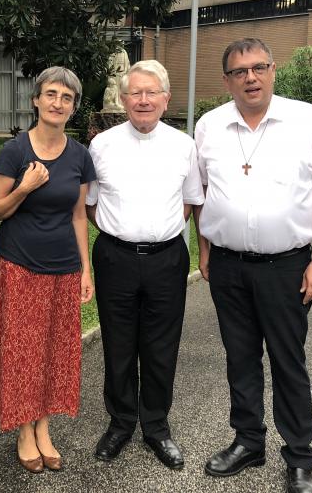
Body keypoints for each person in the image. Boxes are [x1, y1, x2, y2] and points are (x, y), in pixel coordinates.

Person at [194, 38, 312, 493]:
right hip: (227, 266)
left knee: (287, 360)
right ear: (227, 81)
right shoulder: (209, 126)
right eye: (239, 72)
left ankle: (299, 457)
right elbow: (201, 195)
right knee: (240, 358)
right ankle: (248, 441)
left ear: (273, 70)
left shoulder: (307, 119)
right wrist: (203, 250)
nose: (250, 78)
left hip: (287, 267)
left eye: (258, 67)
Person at [86, 59, 204, 470]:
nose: (143, 100)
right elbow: (89, 204)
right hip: (115, 258)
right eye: (135, 92)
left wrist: (160, 233)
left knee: (160, 347)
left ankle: (156, 427)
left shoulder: (184, 146)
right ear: (123, 98)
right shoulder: (101, 145)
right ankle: (120, 423)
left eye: (151, 92)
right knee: (118, 345)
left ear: (166, 98)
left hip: (167, 260)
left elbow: (191, 202)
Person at [0, 67, 96, 474]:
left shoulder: (80, 156)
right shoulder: (15, 151)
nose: (57, 103)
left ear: (73, 107)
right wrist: (25, 188)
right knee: (22, 352)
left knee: (55, 352)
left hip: (64, 268)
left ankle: (44, 426)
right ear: (36, 100)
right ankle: (25, 430)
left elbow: (79, 215)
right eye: (50, 94)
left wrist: (86, 270)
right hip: (18, 266)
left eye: (66, 98)